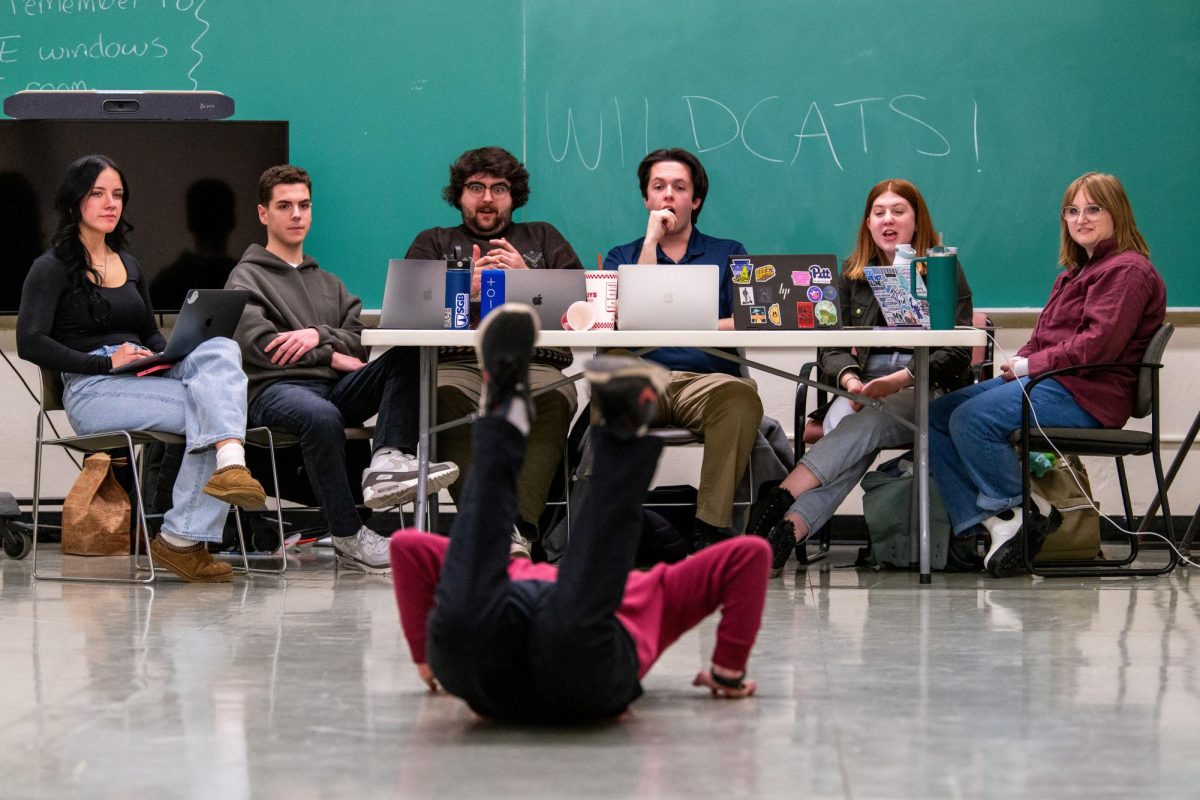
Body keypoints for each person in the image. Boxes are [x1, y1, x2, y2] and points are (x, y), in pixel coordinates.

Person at [389, 304, 771, 723]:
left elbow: (406, 545)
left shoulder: (639, 584)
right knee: (576, 617)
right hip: (584, 667)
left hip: (483, 657)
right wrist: (728, 671)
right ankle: (617, 438)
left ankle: (506, 418)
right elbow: (751, 555)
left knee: (480, 585)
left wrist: (423, 655)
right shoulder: (650, 587)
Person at [17, 154, 266, 583]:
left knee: (220, 347)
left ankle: (228, 464)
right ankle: (182, 540)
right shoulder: (51, 267)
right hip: (92, 388)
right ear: (76, 201)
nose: (110, 203)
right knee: (210, 408)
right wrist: (103, 361)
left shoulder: (129, 265)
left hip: (142, 372)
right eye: (98, 194)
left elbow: (149, 334)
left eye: (117, 195)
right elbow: (29, 341)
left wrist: (171, 355)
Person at [930, 172, 1166, 577]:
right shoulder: (1073, 273)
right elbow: (1043, 340)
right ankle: (1002, 524)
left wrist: (1030, 367)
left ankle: (1025, 509)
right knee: (935, 416)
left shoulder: (1127, 270)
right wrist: (1018, 363)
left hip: (1087, 395)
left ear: (1118, 214)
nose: (1081, 219)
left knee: (971, 419)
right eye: (1072, 211)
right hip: (1052, 383)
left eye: (1094, 209)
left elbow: (1098, 345)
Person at [226, 165, 458, 575]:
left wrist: (317, 337)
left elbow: (358, 339)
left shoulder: (329, 282)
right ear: (264, 214)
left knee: (413, 348)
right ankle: (350, 539)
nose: (296, 215)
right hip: (275, 392)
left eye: (304, 205)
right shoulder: (245, 277)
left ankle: (387, 461)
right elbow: (262, 348)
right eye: (284, 206)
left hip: (334, 388)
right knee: (321, 414)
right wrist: (329, 353)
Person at [745, 179, 973, 572]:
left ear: (916, 222)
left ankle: (781, 495)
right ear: (868, 223)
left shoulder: (941, 270)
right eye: (879, 212)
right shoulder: (851, 276)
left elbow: (958, 351)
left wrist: (898, 380)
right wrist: (851, 382)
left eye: (898, 211)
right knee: (849, 439)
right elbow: (830, 348)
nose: (888, 219)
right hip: (863, 385)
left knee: (867, 419)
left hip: (924, 388)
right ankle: (784, 534)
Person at [405, 146, 582, 552]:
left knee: (553, 398)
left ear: (513, 194)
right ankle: (492, 525)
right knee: (441, 399)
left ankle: (515, 527)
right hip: (455, 361)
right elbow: (407, 312)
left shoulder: (544, 237)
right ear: (459, 194)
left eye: (499, 188)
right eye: (476, 187)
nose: (487, 198)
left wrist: (526, 279)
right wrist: (463, 289)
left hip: (534, 361)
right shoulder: (433, 242)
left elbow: (579, 306)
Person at [603, 147, 763, 550]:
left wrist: (699, 325)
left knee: (741, 397)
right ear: (646, 200)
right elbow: (624, 319)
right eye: (659, 187)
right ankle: (608, 527)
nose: (668, 195)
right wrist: (652, 241)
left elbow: (749, 317)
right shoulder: (622, 256)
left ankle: (708, 531)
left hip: (706, 382)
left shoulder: (729, 252)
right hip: (641, 377)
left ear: (696, 200)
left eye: (679, 187)